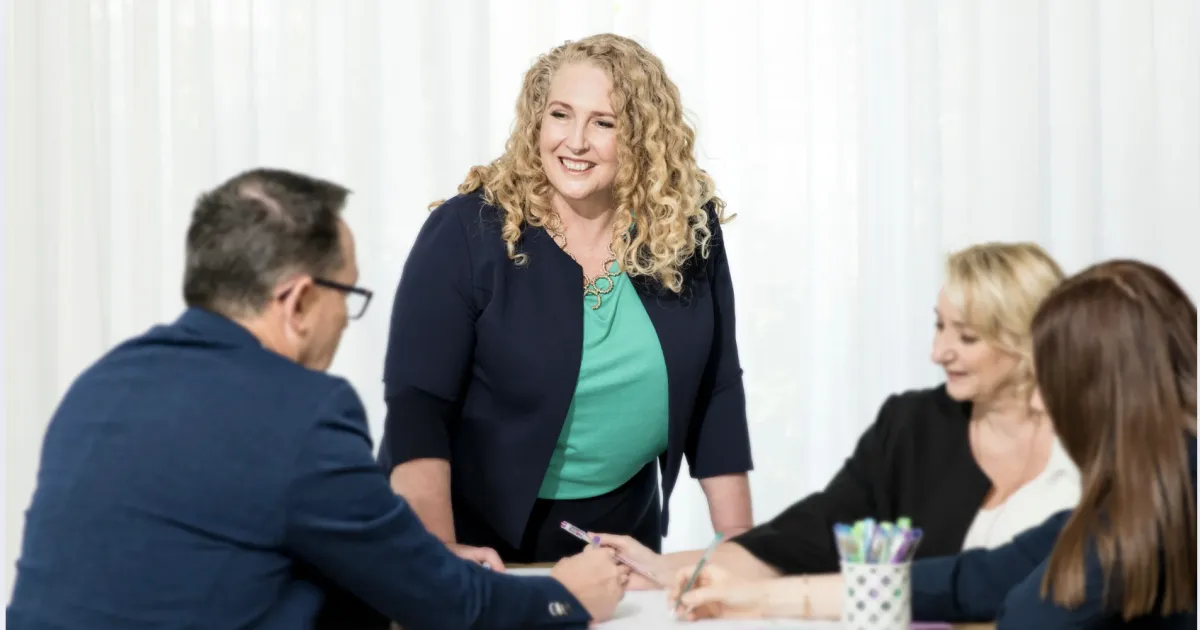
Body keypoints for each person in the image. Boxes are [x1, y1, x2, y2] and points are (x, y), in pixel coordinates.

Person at [5, 168, 629, 629]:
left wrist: (419, 561)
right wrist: (564, 595)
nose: (344, 321)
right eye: (346, 294)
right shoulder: (298, 414)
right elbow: (445, 606)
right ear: (298, 301)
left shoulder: (100, 385)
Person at [378, 33, 754, 565]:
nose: (575, 141)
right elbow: (418, 404)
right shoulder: (467, 230)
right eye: (560, 115)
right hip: (468, 526)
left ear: (643, 136)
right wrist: (438, 554)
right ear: (538, 119)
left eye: (604, 123)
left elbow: (717, 384)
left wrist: (737, 543)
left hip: (621, 534)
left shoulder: (684, 228)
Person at [667, 259, 1197, 629]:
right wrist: (755, 596)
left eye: (1050, 383)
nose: (1040, 402)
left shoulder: (1152, 505)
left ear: (1097, 392)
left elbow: (1028, 613)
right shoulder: (1145, 490)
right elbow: (973, 578)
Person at [598, 242, 1080, 586]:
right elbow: (805, 536)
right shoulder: (912, 427)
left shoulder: (1092, 439)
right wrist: (669, 568)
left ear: (1025, 340)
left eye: (967, 337)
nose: (938, 353)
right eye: (940, 327)